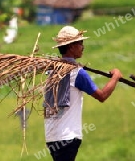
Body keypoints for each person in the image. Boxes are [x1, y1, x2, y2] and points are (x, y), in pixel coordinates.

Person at [44, 25, 122, 161]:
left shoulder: (51, 71)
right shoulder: (77, 73)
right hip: (68, 136)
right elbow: (102, 96)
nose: (83, 46)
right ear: (71, 47)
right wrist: (116, 77)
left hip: (52, 136)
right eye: (80, 43)